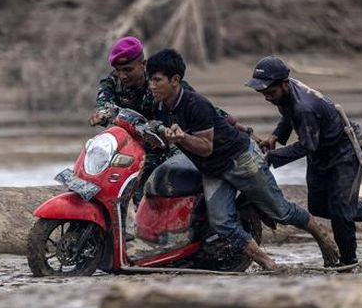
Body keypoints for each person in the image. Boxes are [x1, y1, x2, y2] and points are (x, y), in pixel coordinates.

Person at [146, 48, 340, 270]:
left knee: (281, 211)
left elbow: (206, 147)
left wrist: (181, 138)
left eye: (157, 80)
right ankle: (268, 263)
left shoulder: (194, 104)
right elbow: (164, 140)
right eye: (150, 79)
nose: (152, 85)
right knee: (221, 223)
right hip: (213, 170)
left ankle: (321, 234)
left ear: (175, 80)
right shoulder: (158, 106)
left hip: (241, 160)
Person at [247, 55, 362, 267]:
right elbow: (289, 116)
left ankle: (347, 263)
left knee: (340, 211)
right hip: (320, 149)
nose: (267, 98)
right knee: (317, 207)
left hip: (343, 151)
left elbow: (307, 146)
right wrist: (275, 136)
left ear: (284, 84)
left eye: (270, 93)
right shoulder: (286, 95)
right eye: (263, 94)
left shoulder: (305, 107)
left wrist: (272, 156)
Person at [88, 36, 176, 203]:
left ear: (143, 65)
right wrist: (100, 114)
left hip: (165, 148)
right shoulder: (111, 81)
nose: (122, 75)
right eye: (118, 70)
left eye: (128, 70)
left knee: (150, 197)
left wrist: (228, 122)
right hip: (128, 150)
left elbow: (193, 102)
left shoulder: (159, 82)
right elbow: (104, 104)